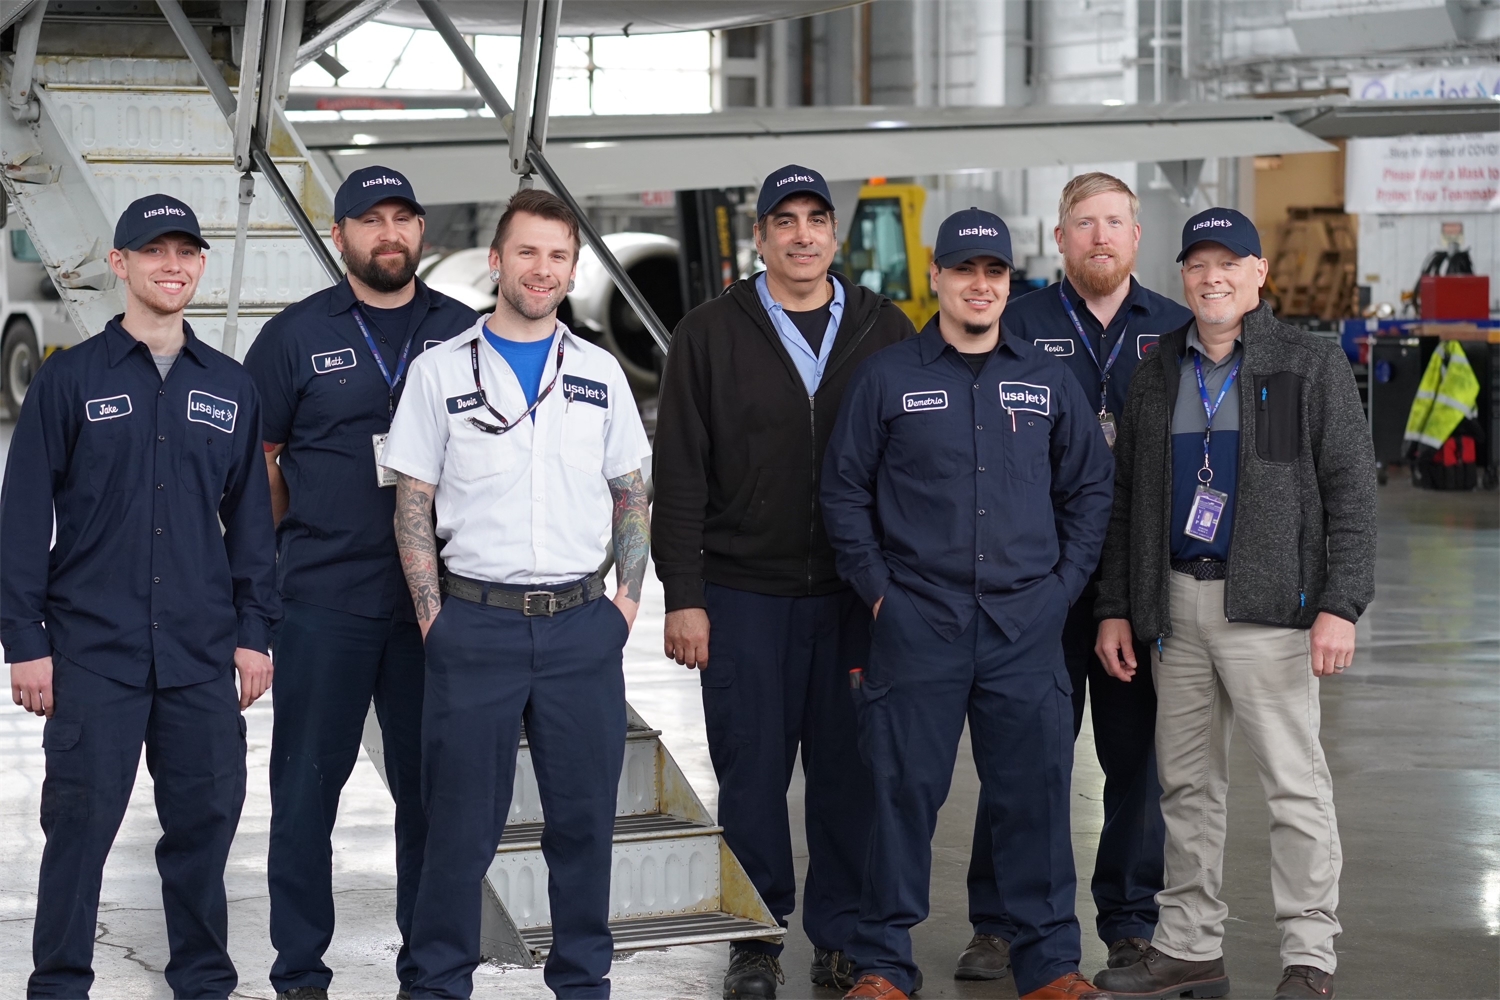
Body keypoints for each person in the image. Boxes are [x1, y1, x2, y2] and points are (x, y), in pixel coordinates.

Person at [822, 208, 1114, 1000]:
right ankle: (883, 962)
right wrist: (882, 597)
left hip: (1026, 626)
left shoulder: (1047, 379)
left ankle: (1050, 964)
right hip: (920, 624)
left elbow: (1090, 491)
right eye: (965, 271)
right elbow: (843, 495)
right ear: (938, 279)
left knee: (1034, 799)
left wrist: (1060, 593)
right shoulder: (889, 377)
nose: (980, 286)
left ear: (1008, 283)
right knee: (898, 796)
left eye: (994, 273)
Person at [1089, 209, 1375, 1000]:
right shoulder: (1156, 373)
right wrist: (1117, 603)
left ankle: (1309, 953)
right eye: (1197, 265)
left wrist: (1341, 604)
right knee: (1186, 787)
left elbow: (1352, 491)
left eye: (1229, 263)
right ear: (1182, 277)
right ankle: (1188, 944)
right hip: (1175, 611)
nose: (1212, 278)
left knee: (1293, 785)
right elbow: (1125, 505)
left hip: (1272, 613)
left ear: (1258, 275)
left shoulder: (1306, 365)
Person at [0, 195, 278, 998]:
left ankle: (201, 981)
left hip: (197, 659)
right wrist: (25, 641)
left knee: (203, 831)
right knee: (79, 831)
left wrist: (256, 632)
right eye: (154, 252)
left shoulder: (228, 387)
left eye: (187, 253)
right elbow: (22, 520)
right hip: (93, 656)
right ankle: (58, 984)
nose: (173, 266)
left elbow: (252, 527)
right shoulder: (70, 381)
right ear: (119, 264)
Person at [381, 188, 652, 999]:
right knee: (457, 833)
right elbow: (412, 504)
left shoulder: (600, 374)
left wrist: (624, 611)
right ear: (496, 261)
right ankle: (434, 984)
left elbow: (633, 496)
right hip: (476, 628)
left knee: (583, 830)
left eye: (558, 256)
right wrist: (436, 620)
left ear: (573, 272)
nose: (542, 269)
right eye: (527, 252)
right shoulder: (438, 373)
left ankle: (582, 984)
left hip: (581, 631)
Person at [652, 163, 914, 998]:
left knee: (849, 773)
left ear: (833, 234)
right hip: (742, 592)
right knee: (751, 772)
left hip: (854, 593)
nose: (802, 234)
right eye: (784, 221)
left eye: (816, 219)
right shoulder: (707, 333)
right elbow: (681, 474)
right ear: (758, 237)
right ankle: (757, 940)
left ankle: (840, 936)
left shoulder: (885, 328)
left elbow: (915, 465)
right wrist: (684, 594)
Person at [242, 165, 478, 1000]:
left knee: (433, 801)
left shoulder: (463, 332)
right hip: (323, 604)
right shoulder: (295, 336)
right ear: (339, 235)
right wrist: (283, 563)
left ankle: (432, 973)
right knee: (306, 797)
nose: (389, 233)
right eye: (370, 220)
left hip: (437, 609)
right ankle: (300, 973)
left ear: (421, 232)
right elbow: (259, 466)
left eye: (403, 218)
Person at [958, 173, 1192, 981]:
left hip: (1135, 582)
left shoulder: (1178, 328)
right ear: (1058, 238)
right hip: (1033, 585)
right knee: (1019, 756)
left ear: (1136, 238)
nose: (1100, 236)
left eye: (1114, 223)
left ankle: (1129, 920)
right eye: (1083, 223)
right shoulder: (1013, 322)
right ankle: (996, 921)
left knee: (1135, 761)